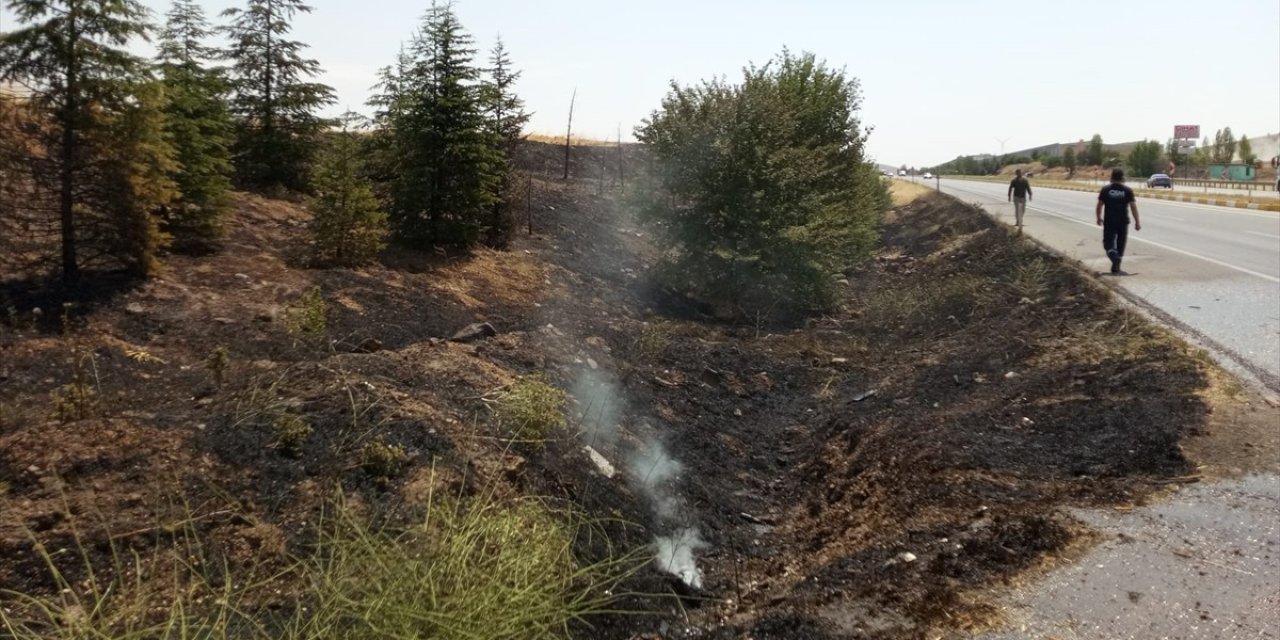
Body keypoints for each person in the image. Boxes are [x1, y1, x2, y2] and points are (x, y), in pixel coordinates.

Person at [1095, 168, 1141, 274]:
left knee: (1108, 243)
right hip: (1123, 221)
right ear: (1122, 178)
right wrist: (1137, 222)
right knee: (1121, 244)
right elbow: (1133, 207)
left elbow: (1099, 205)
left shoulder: (1106, 189)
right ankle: (1117, 265)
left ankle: (1114, 257)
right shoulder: (1127, 190)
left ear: (1111, 177)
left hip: (1110, 221)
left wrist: (1098, 217)